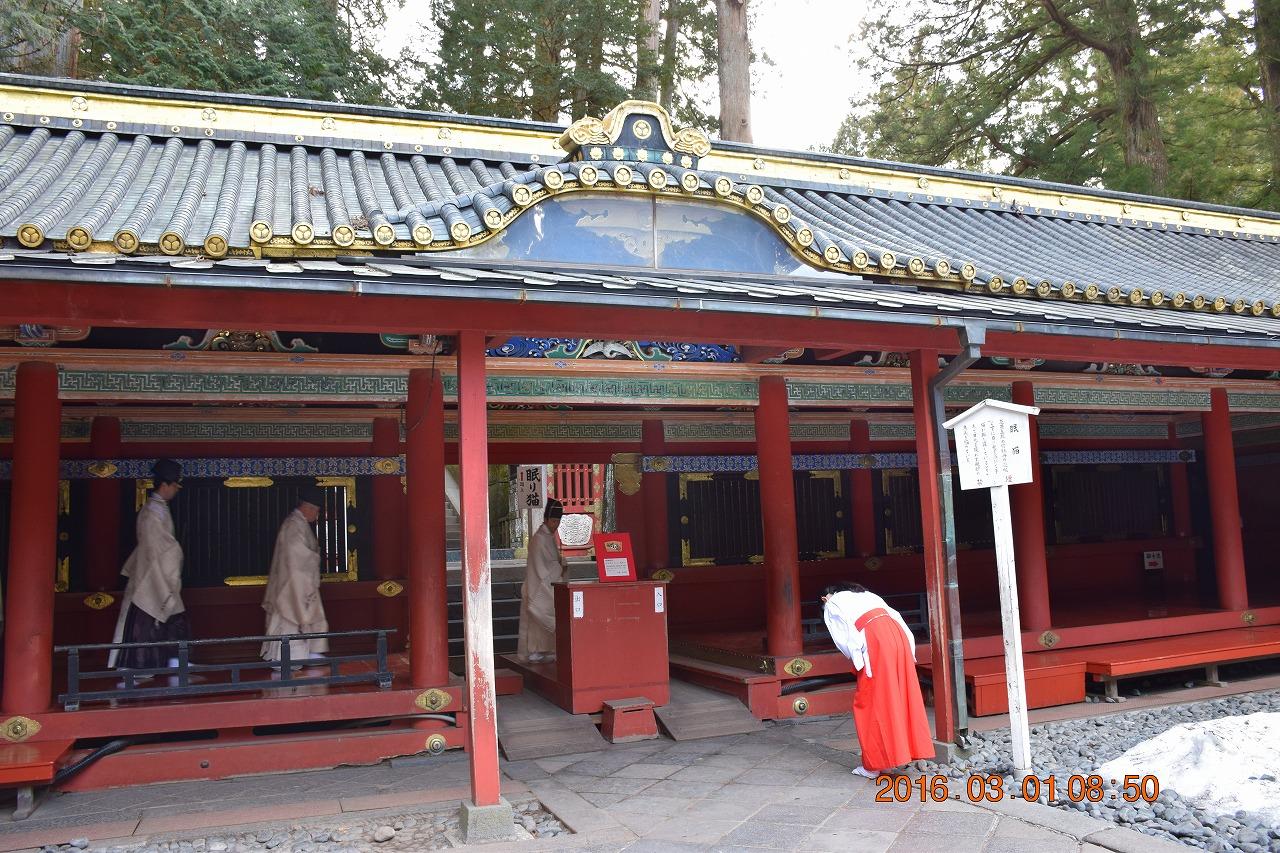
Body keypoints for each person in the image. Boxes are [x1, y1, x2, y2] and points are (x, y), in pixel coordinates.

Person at [822, 582, 934, 777]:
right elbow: (896, 617)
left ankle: (874, 765)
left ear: (826, 596)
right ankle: (896, 755)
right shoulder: (868, 595)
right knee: (899, 695)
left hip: (875, 640)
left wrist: (857, 657)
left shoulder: (834, 602)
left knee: (870, 700)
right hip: (898, 637)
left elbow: (842, 638)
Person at [109, 458, 188, 680]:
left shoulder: (158, 509)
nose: (176, 490)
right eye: (175, 485)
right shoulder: (153, 512)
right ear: (165, 485)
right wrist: (176, 552)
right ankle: (138, 667)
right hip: (150, 575)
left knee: (169, 617)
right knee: (144, 623)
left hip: (157, 572)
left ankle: (172, 662)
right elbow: (158, 546)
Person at [261, 485, 330, 670]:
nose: (317, 515)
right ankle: (286, 659)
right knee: (291, 618)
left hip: (300, 582)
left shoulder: (299, 524)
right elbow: (295, 555)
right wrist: (315, 558)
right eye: (316, 510)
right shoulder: (293, 525)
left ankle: (308, 653)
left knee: (306, 617)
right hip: (291, 584)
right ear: (308, 507)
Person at [517, 497, 569, 663]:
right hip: (537, 585)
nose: (555, 525)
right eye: (553, 521)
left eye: (558, 521)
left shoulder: (547, 537)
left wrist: (559, 564)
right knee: (537, 618)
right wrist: (560, 567)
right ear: (546, 519)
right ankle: (535, 651)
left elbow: (552, 562)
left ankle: (545, 650)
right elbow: (541, 568)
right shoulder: (539, 539)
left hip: (542, 584)